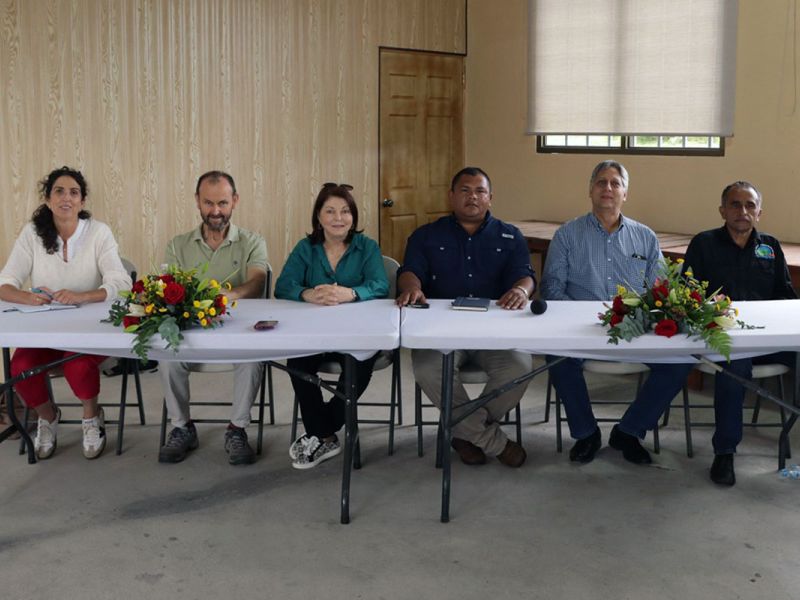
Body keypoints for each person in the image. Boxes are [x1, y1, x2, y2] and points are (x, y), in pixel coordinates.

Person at [541, 160, 693, 465]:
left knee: (679, 363)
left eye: (615, 183)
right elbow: (552, 288)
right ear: (590, 190)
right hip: (580, 327)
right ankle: (586, 434)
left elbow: (659, 291)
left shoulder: (646, 237)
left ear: (626, 193)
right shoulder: (567, 235)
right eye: (601, 182)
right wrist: (582, 320)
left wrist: (641, 319)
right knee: (557, 359)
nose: (607, 188)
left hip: (636, 327)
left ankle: (629, 431)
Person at [396, 167, 535, 468]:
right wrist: (412, 287)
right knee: (428, 370)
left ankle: (462, 433)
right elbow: (410, 271)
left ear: (490, 197)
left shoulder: (510, 236)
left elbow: (525, 275)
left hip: (494, 332)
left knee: (521, 368)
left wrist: (522, 291)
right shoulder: (426, 235)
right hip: (440, 330)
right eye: (465, 190)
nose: (473, 196)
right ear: (451, 196)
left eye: (480, 191)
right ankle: (489, 439)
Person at [0, 166, 131, 459]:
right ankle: (48, 416)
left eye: (74, 192)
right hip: (45, 330)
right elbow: (4, 283)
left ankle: (91, 416)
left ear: (82, 201)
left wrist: (82, 296)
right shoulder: (32, 234)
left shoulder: (99, 232)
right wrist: (27, 297)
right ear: (48, 199)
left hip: (91, 329)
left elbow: (121, 284)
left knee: (77, 365)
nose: (66, 198)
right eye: (59, 191)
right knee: (20, 367)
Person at [682, 181, 796, 486]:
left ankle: (791, 432)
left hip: (768, 339)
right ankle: (725, 452)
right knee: (734, 369)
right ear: (722, 210)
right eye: (735, 204)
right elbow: (686, 294)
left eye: (749, 205)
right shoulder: (704, 244)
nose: (742, 211)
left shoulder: (769, 246)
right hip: (724, 339)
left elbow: (785, 294)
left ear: (759, 212)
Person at [275, 183, 389, 469]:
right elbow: (283, 285)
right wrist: (307, 293)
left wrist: (351, 293)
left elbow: (380, 285)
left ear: (354, 217)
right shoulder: (306, 248)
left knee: (359, 364)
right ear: (318, 217)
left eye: (345, 211)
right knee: (298, 362)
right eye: (330, 211)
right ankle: (324, 433)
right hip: (314, 331)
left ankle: (320, 432)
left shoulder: (368, 247)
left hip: (357, 331)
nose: (339, 218)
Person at [158, 170, 268, 465]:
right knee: (165, 353)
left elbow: (257, 283)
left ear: (235, 201)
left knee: (254, 357)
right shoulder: (177, 244)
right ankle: (182, 428)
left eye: (222, 203)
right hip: (191, 330)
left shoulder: (253, 242)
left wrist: (218, 298)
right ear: (197, 201)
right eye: (208, 203)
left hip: (239, 330)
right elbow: (169, 289)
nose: (216, 211)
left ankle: (237, 429)